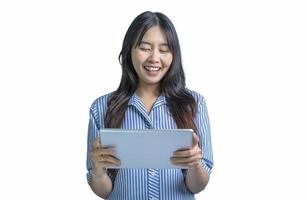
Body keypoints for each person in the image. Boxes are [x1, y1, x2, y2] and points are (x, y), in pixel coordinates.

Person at [86, 11, 213, 200]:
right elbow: (104, 191)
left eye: (164, 49)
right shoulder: (102, 107)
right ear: (130, 50)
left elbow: (198, 185)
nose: (154, 58)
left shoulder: (194, 104)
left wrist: (195, 164)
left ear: (174, 55)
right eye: (145, 48)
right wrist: (98, 172)